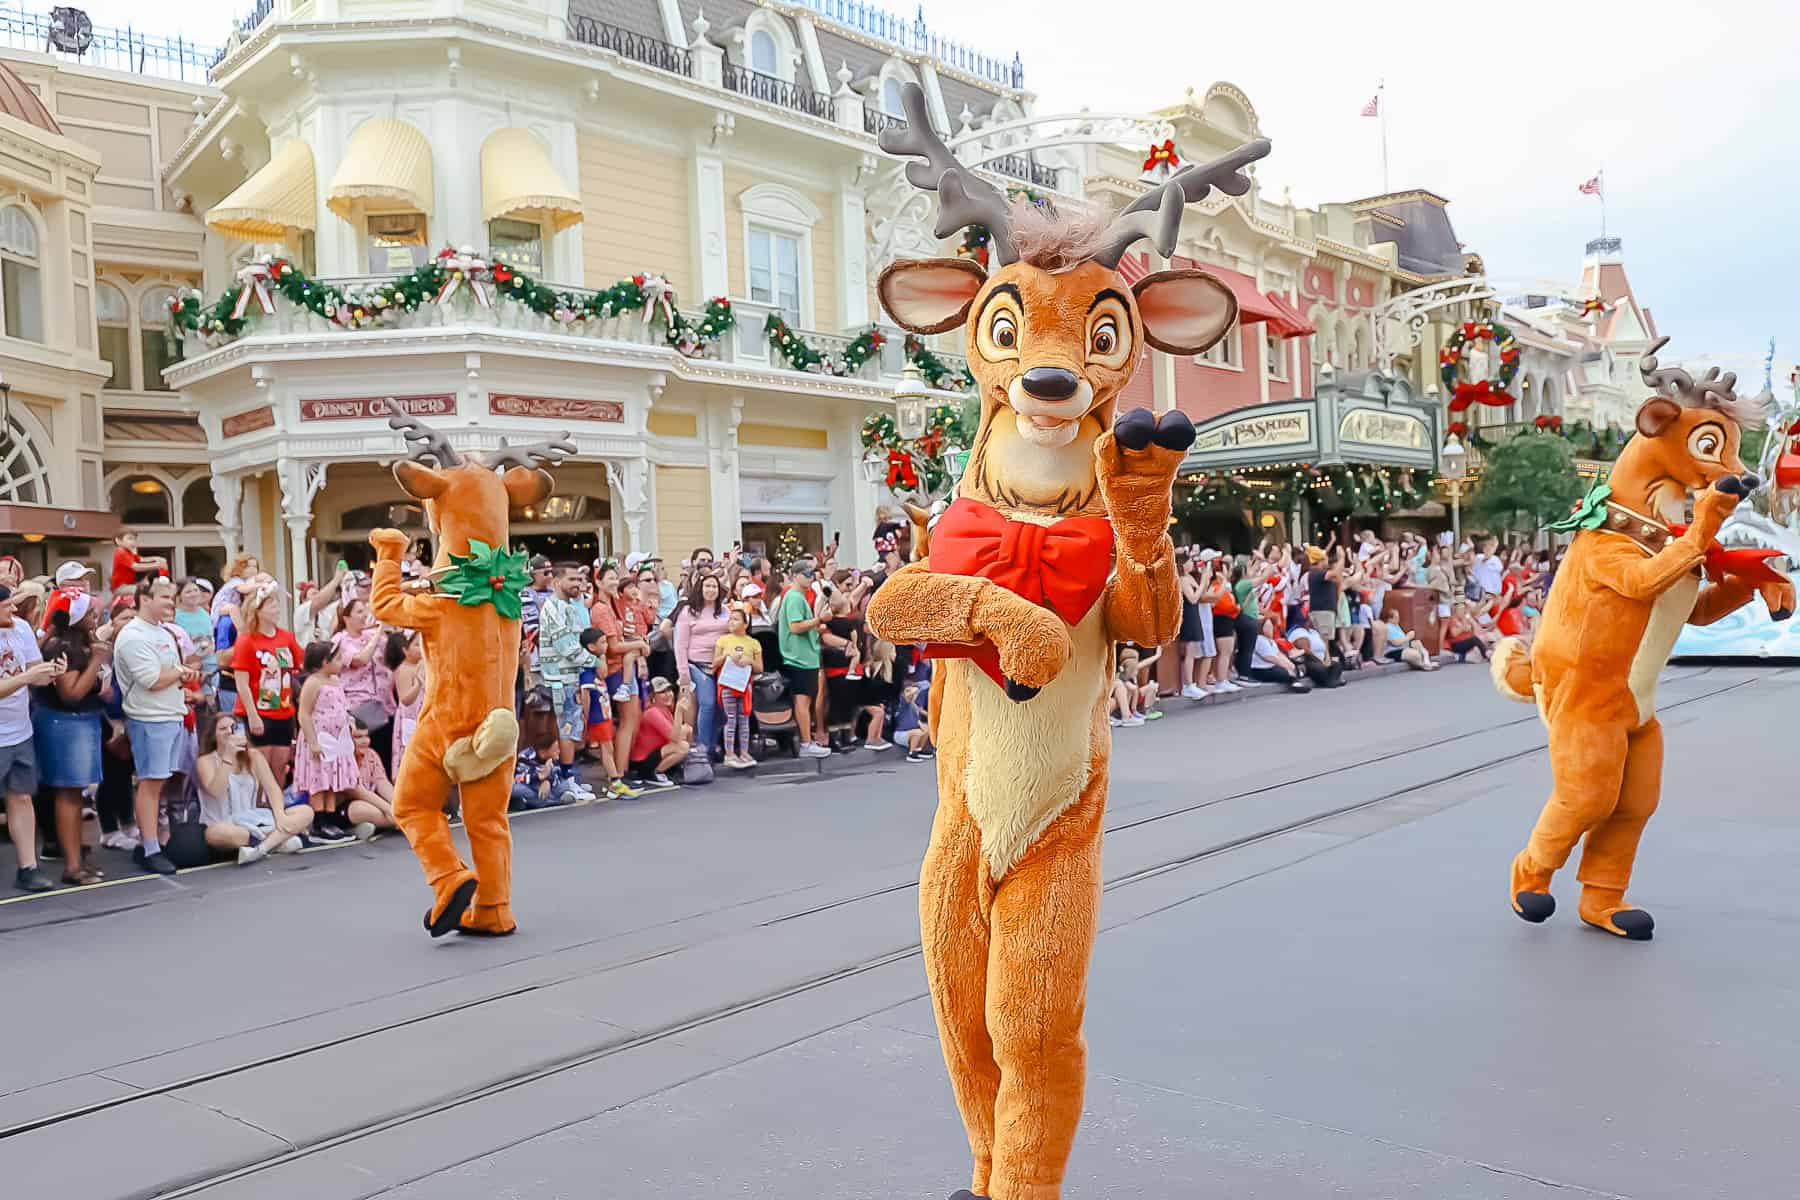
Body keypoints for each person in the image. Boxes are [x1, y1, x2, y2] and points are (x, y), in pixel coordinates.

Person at [113, 578, 194, 876]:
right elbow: (153, 679)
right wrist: (179, 672)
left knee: (160, 781)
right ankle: (149, 848)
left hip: (170, 714)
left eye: (171, 597)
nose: (170, 603)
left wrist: (178, 673)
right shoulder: (133, 635)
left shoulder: (161, 631)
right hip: (149, 718)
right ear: (143, 599)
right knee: (150, 782)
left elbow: (169, 675)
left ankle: (150, 843)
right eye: (164, 597)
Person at [34, 596, 110, 885]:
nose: (95, 616)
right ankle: (72, 866)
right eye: (90, 612)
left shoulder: (78, 644)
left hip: (79, 722)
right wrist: (97, 662)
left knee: (75, 793)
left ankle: (77, 858)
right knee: (68, 793)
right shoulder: (64, 646)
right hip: (65, 723)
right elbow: (71, 694)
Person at [1, 585, 62, 890]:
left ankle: (28, 867)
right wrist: (25, 678)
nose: (13, 611)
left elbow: (32, 669)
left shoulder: (22, 628)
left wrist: (51, 671)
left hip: (19, 730)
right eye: (6, 606)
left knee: (22, 797)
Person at [194, 712, 312, 864]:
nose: (229, 732)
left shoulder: (253, 756)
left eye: (233, 727)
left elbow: (273, 789)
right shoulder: (205, 761)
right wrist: (228, 757)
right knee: (215, 833)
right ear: (213, 735)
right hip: (227, 825)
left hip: (256, 819)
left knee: (305, 811)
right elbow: (216, 790)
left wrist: (280, 815)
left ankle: (261, 848)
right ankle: (280, 840)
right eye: (223, 729)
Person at [230, 582, 302, 789]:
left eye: (277, 605)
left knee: (280, 763)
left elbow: (299, 663)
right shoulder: (247, 641)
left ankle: (276, 806)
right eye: (271, 606)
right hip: (258, 710)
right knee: (260, 764)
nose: (276, 610)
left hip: (283, 709)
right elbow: (241, 682)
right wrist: (252, 715)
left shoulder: (286, 637)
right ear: (258, 611)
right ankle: (259, 808)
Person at [295, 640, 368, 841]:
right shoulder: (313, 682)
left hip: (337, 739)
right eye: (336, 658)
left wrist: (349, 723)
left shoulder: (335, 680)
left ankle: (331, 816)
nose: (340, 662)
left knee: (331, 778)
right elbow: (304, 714)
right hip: (320, 737)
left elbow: (341, 707)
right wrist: (313, 741)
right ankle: (319, 822)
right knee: (319, 779)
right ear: (323, 662)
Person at [539, 563, 600, 802]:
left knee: (573, 729)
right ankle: (566, 780)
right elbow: (567, 646)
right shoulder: (553, 608)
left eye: (579, 579)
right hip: (558, 680)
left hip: (572, 677)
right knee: (565, 729)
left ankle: (570, 778)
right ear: (557, 582)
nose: (577, 584)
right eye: (572, 579)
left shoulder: (571, 608)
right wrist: (595, 662)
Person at [673, 572, 731, 761]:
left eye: (714, 586)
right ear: (700, 588)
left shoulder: (725, 611)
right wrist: (683, 674)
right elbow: (680, 644)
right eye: (707, 586)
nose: (711, 590)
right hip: (696, 664)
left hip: (721, 664)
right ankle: (703, 747)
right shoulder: (688, 611)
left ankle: (713, 744)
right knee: (708, 703)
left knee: (722, 707)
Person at [777, 562, 829, 758]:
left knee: (806, 700)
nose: (811, 577)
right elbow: (795, 627)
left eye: (812, 574)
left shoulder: (797, 597)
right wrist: (819, 620)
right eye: (807, 574)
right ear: (795, 575)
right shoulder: (794, 597)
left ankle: (808, 740)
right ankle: (806, 742)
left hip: (805, 656)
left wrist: (817, 626)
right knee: (803, 701)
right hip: (799, 657)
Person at [712, 605, 762, 769]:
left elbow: (760, 668)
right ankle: (729, 753)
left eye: (736, 619)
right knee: (730, 719)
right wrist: (726, 656)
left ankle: (745, 752)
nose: (731, 622)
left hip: (744, 684)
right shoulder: (723, 640)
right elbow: (714, 664)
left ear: (745, 624)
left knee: (744, 719)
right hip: (728, 683)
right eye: (730, 619)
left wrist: (750, 661)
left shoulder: (753, 643)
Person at [627, 675, 690, 786]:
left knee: (686, 732)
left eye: (669, 690)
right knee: (682, 746)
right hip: (642, 761)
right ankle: (653, 773)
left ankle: (669, 769)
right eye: (662, 692)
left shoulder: (664, 710)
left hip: (656, 753)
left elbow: (678, 733)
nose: (668, 695)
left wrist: (683, 729)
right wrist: (679, 712)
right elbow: (675, 737)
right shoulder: (652, 712)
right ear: (653, 696)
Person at [342, 717, 400, 836]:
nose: (365, 741)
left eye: (366, 736)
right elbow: (358, 792)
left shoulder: (371, 754)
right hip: (347, 807)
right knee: (359, 808)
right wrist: (391, 811)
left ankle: (390, 822)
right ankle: (401, 821)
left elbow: (382, 783)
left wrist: (399, 806)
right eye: (358, 737)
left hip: (373, 802)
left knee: (397, 805)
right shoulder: (342, 759)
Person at [173, 578, 218, 702]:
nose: (193, 594)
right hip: (190, 667)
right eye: (188, 592)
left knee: (210, 701)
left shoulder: (204, 613)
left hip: (210, 664)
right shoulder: (175, 616)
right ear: (179, 596)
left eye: (195, 590)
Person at [387, 630, 425, 774]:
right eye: (416, 645)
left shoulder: (423, 665)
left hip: (422, 716)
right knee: (409, 755)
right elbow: (405, 699)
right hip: (410, 717)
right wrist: (417, 685)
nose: (421, 648)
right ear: (405, 649)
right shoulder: (404, 669)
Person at [1246, 618, 1313, 692]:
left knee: (1291, 668)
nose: (1270, 629)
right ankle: (1295, 684)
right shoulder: (1259, 639)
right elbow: (1270, 657)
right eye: (1267, 627)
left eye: (1271, 627)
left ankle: (1295, 681)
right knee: (1283, 673)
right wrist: (1286, 667)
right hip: (1259, 669)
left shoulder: (1271, 641)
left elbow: (1279, 654)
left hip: (1270, 667)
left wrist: (1290, 665)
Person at [1110, 646, 1163, 726]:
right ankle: (1128, 714)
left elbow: (1145, 662)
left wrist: (1157, 655)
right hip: (1126, 699)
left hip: (1134, 697)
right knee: (1130, 688)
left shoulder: (1133, 667)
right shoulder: (1122, 673)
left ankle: (1146, 710)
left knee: (1152, 686)